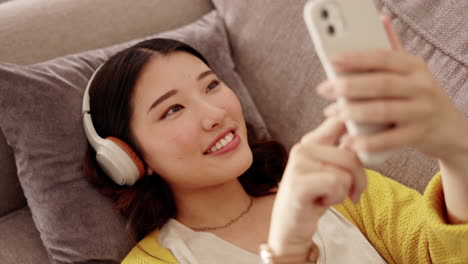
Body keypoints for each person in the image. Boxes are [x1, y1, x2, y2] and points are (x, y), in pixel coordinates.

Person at [83, 16, 468, 264]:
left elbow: (444, 255)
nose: (215, 114)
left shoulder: (335, 183)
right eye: (173, 110)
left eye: (212, 85)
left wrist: (456, 151)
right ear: (129, 157)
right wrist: (288, 248)